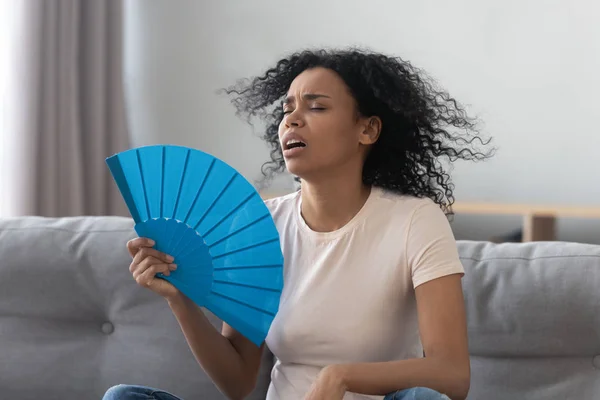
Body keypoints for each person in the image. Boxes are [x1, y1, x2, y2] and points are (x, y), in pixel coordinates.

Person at [103, 47, 493, 400]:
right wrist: (181, 299)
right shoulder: (260, 225)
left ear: (367, 129)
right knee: (124, 398)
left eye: (316, 107)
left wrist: (340, 377)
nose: (292, 120)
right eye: (287, 109)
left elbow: (451, 374)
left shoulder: (415, 220)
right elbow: (239, 380)